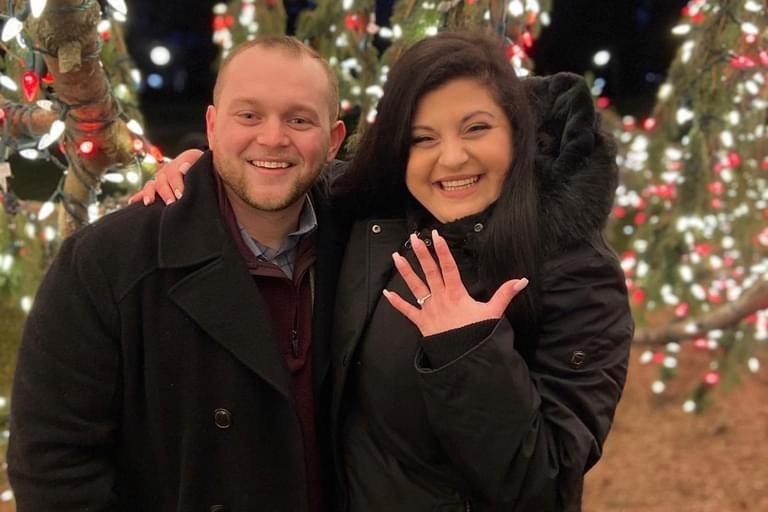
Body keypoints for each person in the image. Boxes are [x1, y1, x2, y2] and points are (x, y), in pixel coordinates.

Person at [133, 32, 633, 511]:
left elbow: (543, 484)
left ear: (518, 132)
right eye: (423, 138)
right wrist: (208, 169)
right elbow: (287, 173)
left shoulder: (575, 270)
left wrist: (467, 352)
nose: (451, 157)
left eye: (476, 128)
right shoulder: (383, 215)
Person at [8, 36, 346, 511]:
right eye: (248, 115)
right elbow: (54, 467)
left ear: (333, 141)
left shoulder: (361, 239)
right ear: (211, 127)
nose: (272, 137)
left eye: (299, 119)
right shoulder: (106, 264)